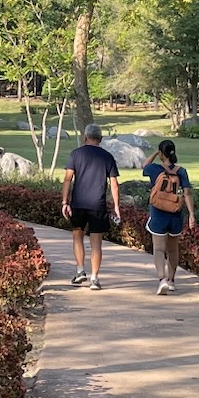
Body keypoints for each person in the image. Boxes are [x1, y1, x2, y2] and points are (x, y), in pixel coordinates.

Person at [60, 123, 121, 290]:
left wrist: (65, 202)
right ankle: (94, 279)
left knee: (77, 236)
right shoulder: (107, 157)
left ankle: (80, 270)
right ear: (100, 139)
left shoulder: (76, 154)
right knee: (96, 244)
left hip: (78, 203)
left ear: (85, 137)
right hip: (98, 205)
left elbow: (67, 179)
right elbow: (114, 185)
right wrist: (116, 206)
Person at [140, 138, 196, 295]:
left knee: (159, 249)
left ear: (161, 153)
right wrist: (191, 215)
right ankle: (171, 281)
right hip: (176, 214)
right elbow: (187, 193)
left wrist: (155, 153)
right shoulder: (181, 171)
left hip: (158, 213)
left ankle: (161, 279)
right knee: (173, 249)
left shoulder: (154, 169)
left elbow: (144, 165)